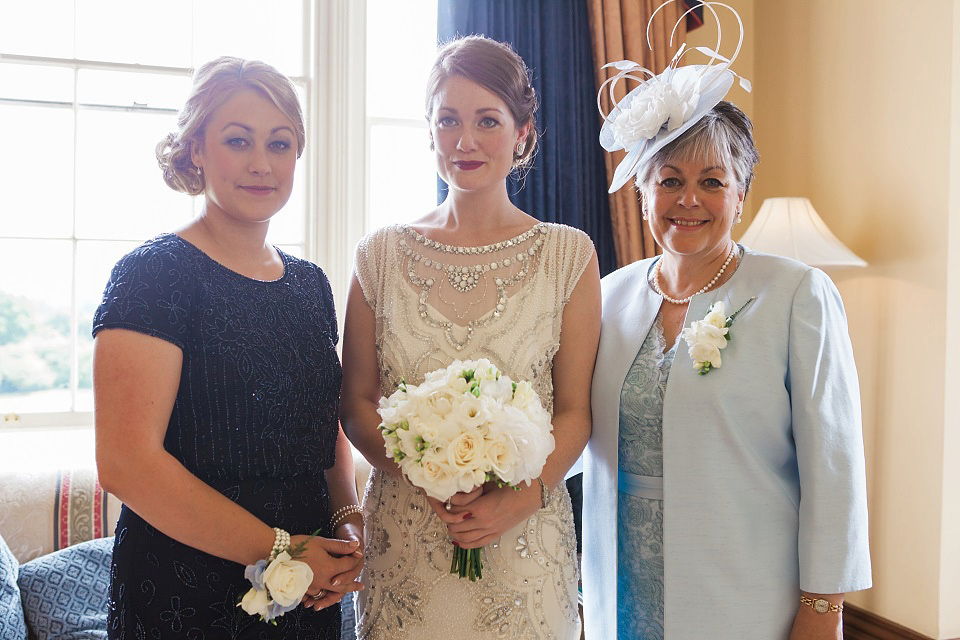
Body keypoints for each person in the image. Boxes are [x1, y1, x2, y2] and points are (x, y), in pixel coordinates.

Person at [582, 4, 872, 639]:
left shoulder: (797, 294)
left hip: (743, 590)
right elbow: (573, 434)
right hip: (619, 584)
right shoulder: (606, 298)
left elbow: (834, 464)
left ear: (742, 193)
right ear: (642, 192)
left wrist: (824, 608)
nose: (689, 200)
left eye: (713, 181)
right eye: (670, 180)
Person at [340, 36, 601, 640]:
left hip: (525, 545)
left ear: (522, 133)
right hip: (408, 537)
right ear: (429, 131)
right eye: (448, 120)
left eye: (488, 120)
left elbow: (575, 411)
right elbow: (355, 403)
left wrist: (523, 498)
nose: (466, 140)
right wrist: (424, 474)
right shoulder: (379, 255)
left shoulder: (568, 255)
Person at [93, 56, 363, 639]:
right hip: (183, 591)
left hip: (309, 594)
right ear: (195, 150)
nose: (262, 163)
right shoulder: (154, 274)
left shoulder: (311, 284)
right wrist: (282, 551)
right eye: (238, 140)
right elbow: (126, 464)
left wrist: (347, 525)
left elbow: (324, 433)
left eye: (280, 143)